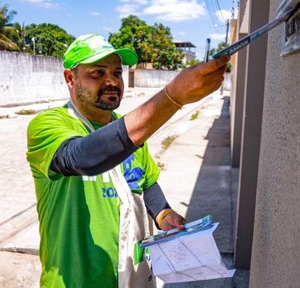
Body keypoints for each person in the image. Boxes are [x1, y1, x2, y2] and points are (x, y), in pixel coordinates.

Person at [27, 34, 229, 288]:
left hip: (133, 277)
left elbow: (146, 183)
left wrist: (164, 214)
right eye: (97, 73)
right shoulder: (49, 125)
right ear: (71, 78)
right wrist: (172, 97)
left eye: (116, 72)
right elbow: (82, 157)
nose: (111, 81)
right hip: (74, 281)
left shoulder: (130, 131)